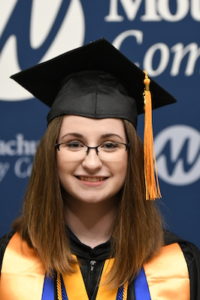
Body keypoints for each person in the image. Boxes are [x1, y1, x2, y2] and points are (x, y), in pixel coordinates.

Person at [0, 39, 199, 300]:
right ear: (51, 154)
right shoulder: (8, 260)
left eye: (109, 145)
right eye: (74, 143)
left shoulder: (179, 263)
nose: (92, 162)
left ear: (133, 156)